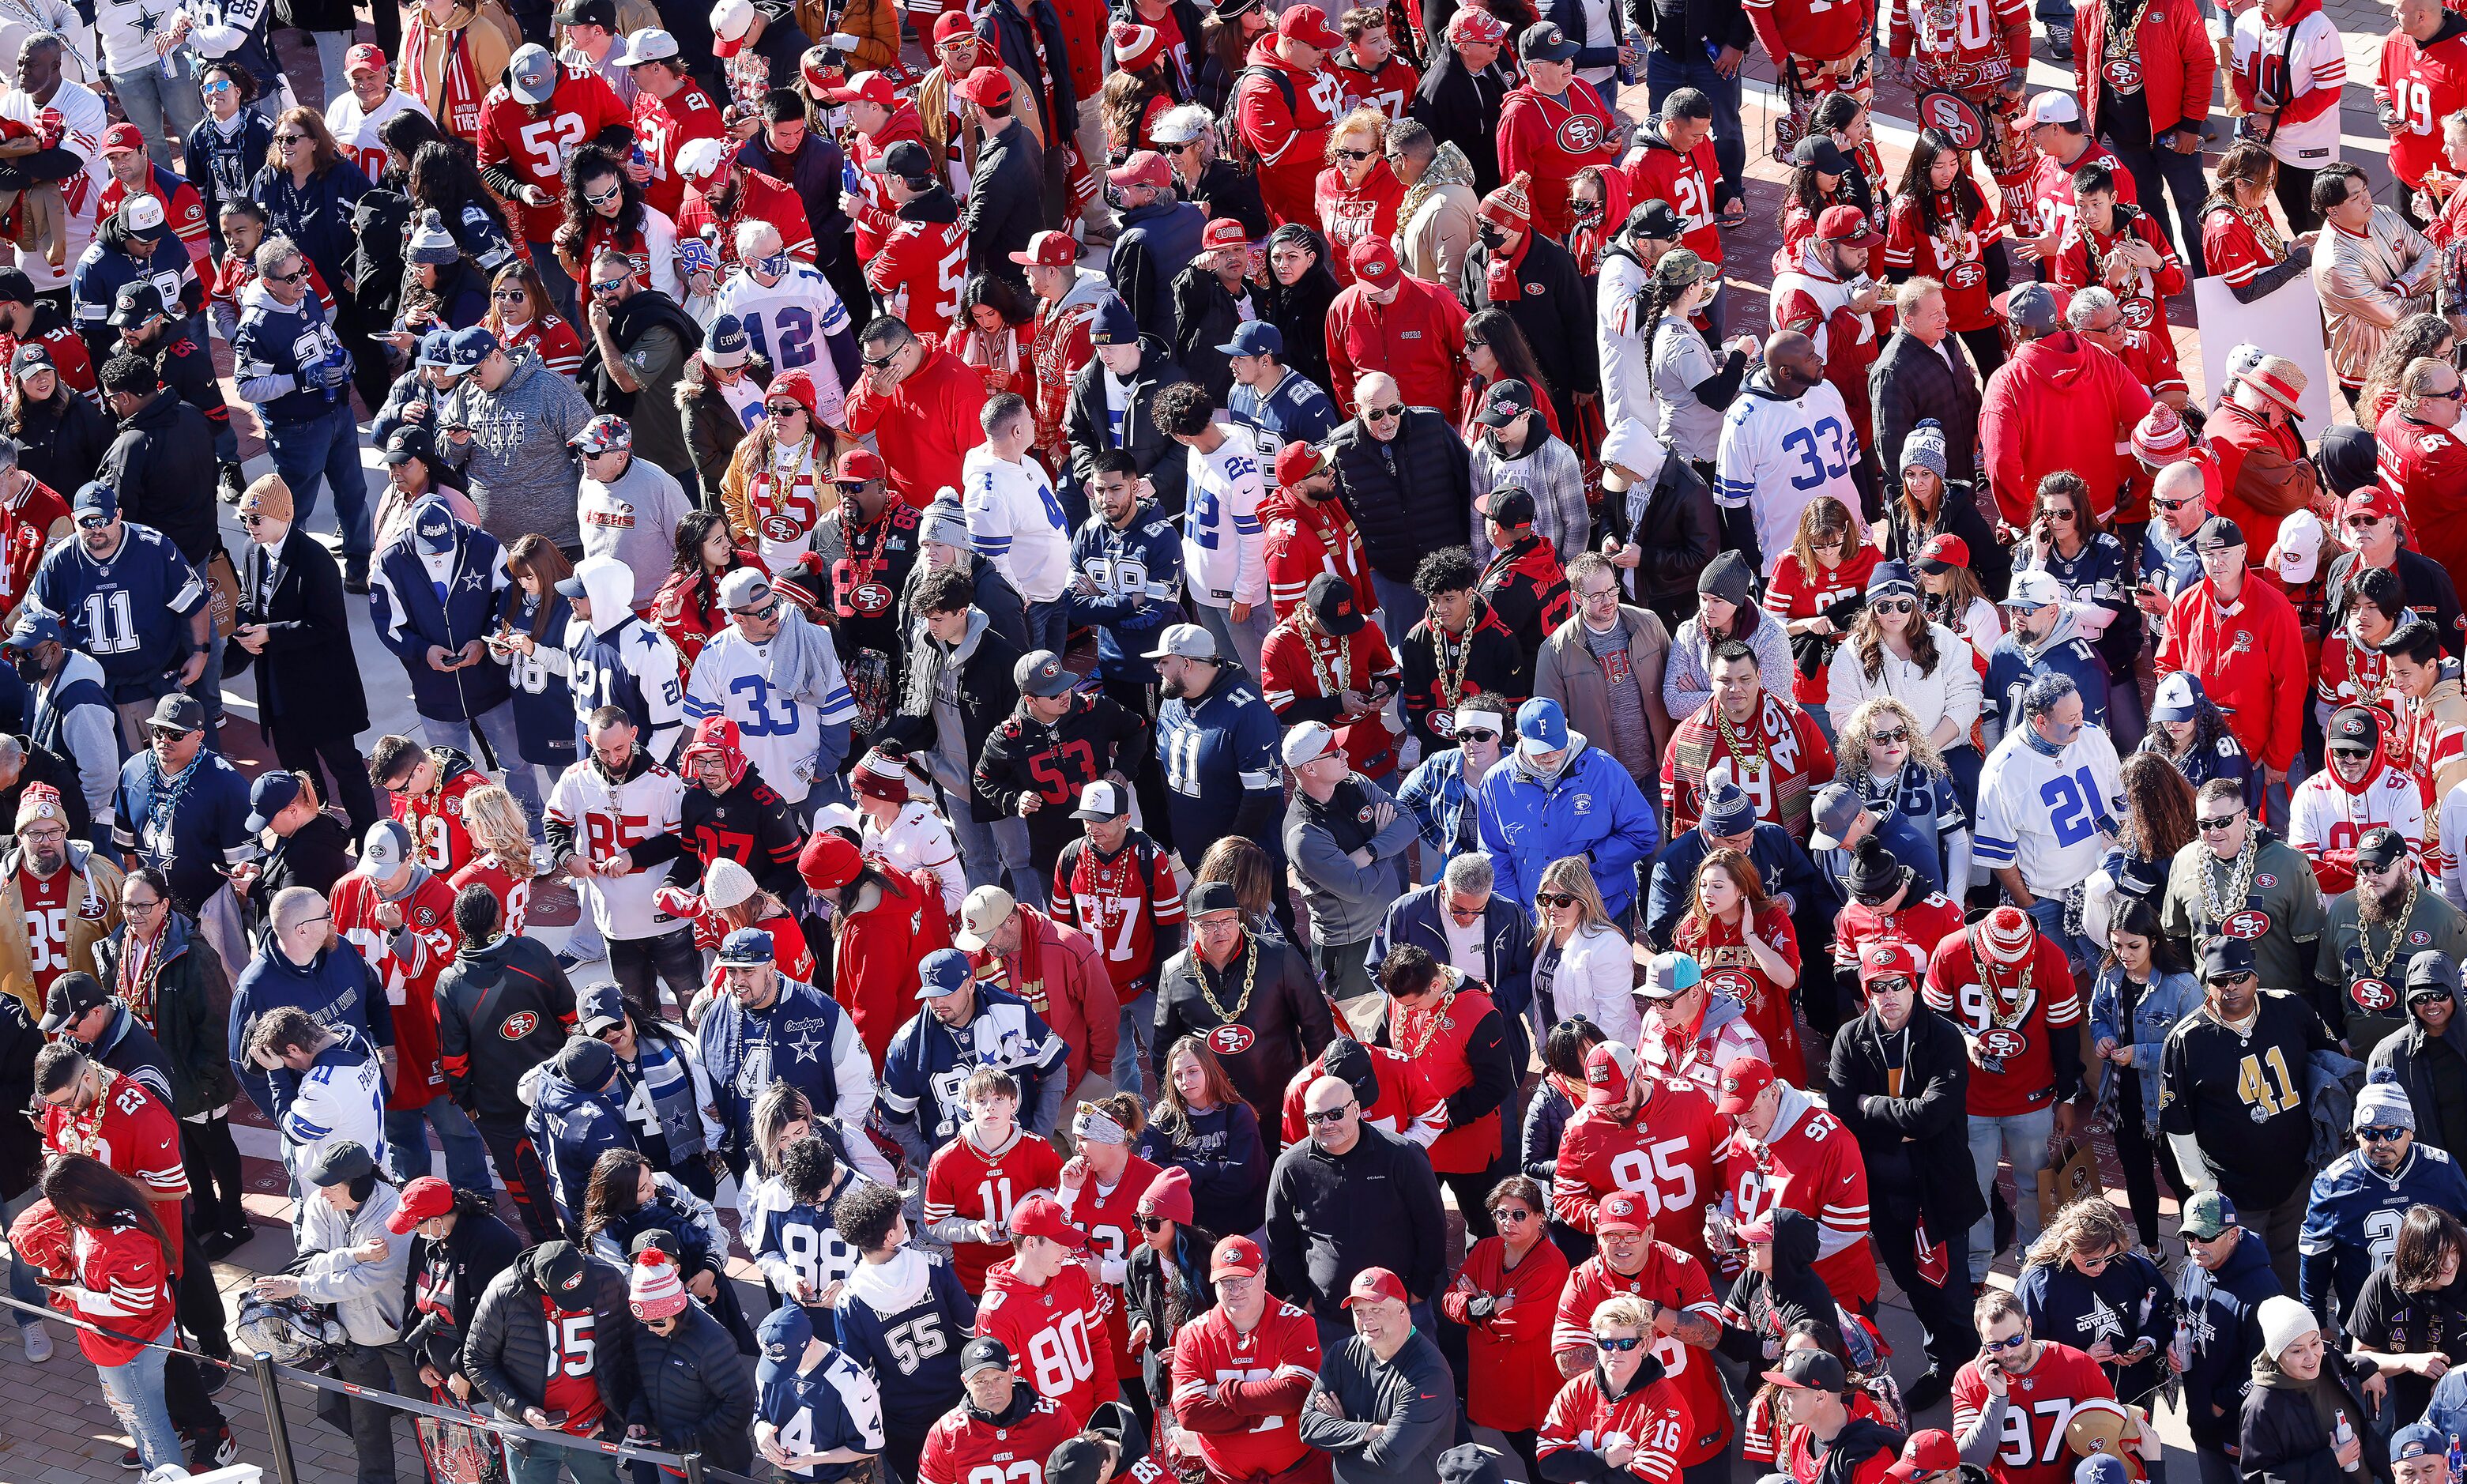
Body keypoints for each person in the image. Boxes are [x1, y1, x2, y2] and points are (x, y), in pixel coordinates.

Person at [1825, 937, 1979, 1407]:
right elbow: (1838, 1111)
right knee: (1912, 1284)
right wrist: (1901, 1122)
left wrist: (1870, 1106)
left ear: (1913, 985)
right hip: (1882, 1192)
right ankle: (1942, 1364)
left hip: (1936, 1190)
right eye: (1876, 987)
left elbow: (1933, 1116)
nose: (1887, 995)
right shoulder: (1851, 1039)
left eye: (1896, 984)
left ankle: (1973, 1373)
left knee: (1952, 1293)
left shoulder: (1945, 1037)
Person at [2163, 936, 2336, 1289]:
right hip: (2234, 1190)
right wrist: (2205, 1186)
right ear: (2205, 984)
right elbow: (2177, 1121)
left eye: (2240, 977)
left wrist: (2327, 1138)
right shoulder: (2188, 1039)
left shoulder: (2290, 1008)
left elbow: (2332, 1064)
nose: (2231, 988)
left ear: (2256, 976)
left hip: (2296, 1176)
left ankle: (2294, 1336)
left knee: (2293, 1268)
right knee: (2241, 1278)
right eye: (2220, 980)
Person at [7, 1157, 189, 1472]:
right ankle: (154, 1466)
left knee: (147, 1418)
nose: (58, 1212)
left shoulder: (124, 1243)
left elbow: (136, 1304)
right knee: (131, 1411)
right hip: (115, 1340)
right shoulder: (101, 1214)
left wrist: (78, 1294)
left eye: (62, 1204)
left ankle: (164, 1474)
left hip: (130, 1343)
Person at [225, 473, 376, 834]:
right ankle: (318, 831)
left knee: (344, 764)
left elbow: (327, 625)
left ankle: (368, 829)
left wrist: (271, 634)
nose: (249, 527)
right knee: (299, 771)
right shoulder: (251, 551)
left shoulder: (314, 560)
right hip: (278, 687)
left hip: (322, 689)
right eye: (245, 519)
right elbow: (248, 598)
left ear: (284, 517)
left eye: (256, 519)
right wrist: (247, 627)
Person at [24, 481, 210, 749]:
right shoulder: (61, 559)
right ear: (74, 520)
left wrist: (200, 652)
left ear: (118, 515)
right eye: (88, 521)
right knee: (112, 773)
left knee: (178, 763)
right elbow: (37, 622)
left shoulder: (154, 548)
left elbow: (194, 601)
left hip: (156, 683)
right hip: (98, 689)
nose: (96, 529)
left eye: (103, 519)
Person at [1267, 1075, 1448, 1348]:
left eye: (1335, 1114)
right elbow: (1279, 1242)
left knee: (1419, 1389)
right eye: (1316, 1118)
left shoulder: (1402, 1156)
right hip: (1331, 1323)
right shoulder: (1290, 1168)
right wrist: (1305, 1298)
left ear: (1356, 1109)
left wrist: (1418, 1294)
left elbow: (1432, 1228)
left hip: (1403, 1313)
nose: (1326, 1124)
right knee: (1339, 1393)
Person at [1976, 284, 2153, 531]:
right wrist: (2138, 486)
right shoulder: (2101, 357)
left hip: (2049, 524)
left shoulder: (2006, 382)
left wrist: (2025, 523)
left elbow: (2000, 464)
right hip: (2101, 509)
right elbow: (2151, 426)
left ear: (2015, 327)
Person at [464, 1237, 638, 1484]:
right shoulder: (503, 1294)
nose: (578, 1302)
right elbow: (477, 1361)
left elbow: (630, 1349)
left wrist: (615, 1419)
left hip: (593, 1428)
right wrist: (522, 1409)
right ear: (539, 1283)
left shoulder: (608, 1280)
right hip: (530, 1436)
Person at [2302, 1083, 2467, 1343]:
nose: (2381, 1143)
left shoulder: (2442, 1170)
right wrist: (2317, 1320)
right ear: (2356, 1135)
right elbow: (2314, 1259)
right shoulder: (2334, 1182)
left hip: (2437, 1315)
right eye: (2370, 1133)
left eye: (2392, 1132)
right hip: (2367, 1320)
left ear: (2410, 1131)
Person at [1166, 1230, 1322, 1484]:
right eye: (1225, 1281)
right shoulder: (1192, 1335)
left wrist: (1222, 1392)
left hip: (1298, 1472)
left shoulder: (1297, 1324)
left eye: (1243, 1279)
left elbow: (1295, 1394)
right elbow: (1189, 1413)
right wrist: (1263, 1409)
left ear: (1263, 1274)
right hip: (1225, 1476)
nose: (1235, 1290)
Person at [1441, 1180, 1565, 1476]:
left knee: (1544, 1467)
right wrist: (1490, 1305)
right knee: (1523, 1454)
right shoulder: (1485, 1248)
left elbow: (1522, 1326)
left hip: (1535, 1390)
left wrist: (1474, 1309)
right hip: (1496, 1385)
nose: (1509, 1222)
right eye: (1501, 1214)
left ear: (1540, 1218)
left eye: (1519, 1215)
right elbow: (1449, 1300)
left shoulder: (1551, 1263)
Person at [1712, 331, 1862, 577]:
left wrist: (1863, 511)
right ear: (1786, 373)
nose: (1820, 360)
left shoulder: (1827, 390)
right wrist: (1755, 561)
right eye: (1810, 357)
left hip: (1848, 542)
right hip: (1789, 556)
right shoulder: (1745, 419)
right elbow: (1733, 500)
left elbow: (1853, 457)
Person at [1296, 1266, 1453, 1484]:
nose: (1366, 1320)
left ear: (1402, 1310)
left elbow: (1389, 1458)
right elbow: (1308, 1426)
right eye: (1359, 1311)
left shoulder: (1429, 1373)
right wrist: (1369, 1431)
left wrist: (1339, 1442)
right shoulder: (1341, 1354)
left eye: (1376, 1310)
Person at [2314, 164, 2437, 406]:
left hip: (2411, 354)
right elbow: (2390, 315)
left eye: (2365, 190)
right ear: (2333, 210)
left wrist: (2401, 287)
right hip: (2371, 375)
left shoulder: (2383, 215)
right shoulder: (2334, 263)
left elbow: (2432, 255)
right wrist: (2430, 299)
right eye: (2355, 197)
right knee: (2384, 442)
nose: (2366, 199)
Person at [2239, 1295, 2385, 1484]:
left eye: (2315, 1342)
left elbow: (2340, 1358)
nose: (2312, 1357)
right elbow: (2258, 1479)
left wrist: (2366, 1368)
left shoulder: (2324, 1358)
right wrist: (2332, 1461)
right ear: (2277, 1355)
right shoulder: (2261, 1408)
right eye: (2297, 1351)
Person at [917, 1339, 1081, 1484]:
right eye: (981, 1381)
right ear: (965, 1382)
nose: (992, 1389)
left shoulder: (1054, 1416)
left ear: (1011, 1373)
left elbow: (1087, 1472)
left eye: (998, 1378)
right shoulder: (945, 1434)